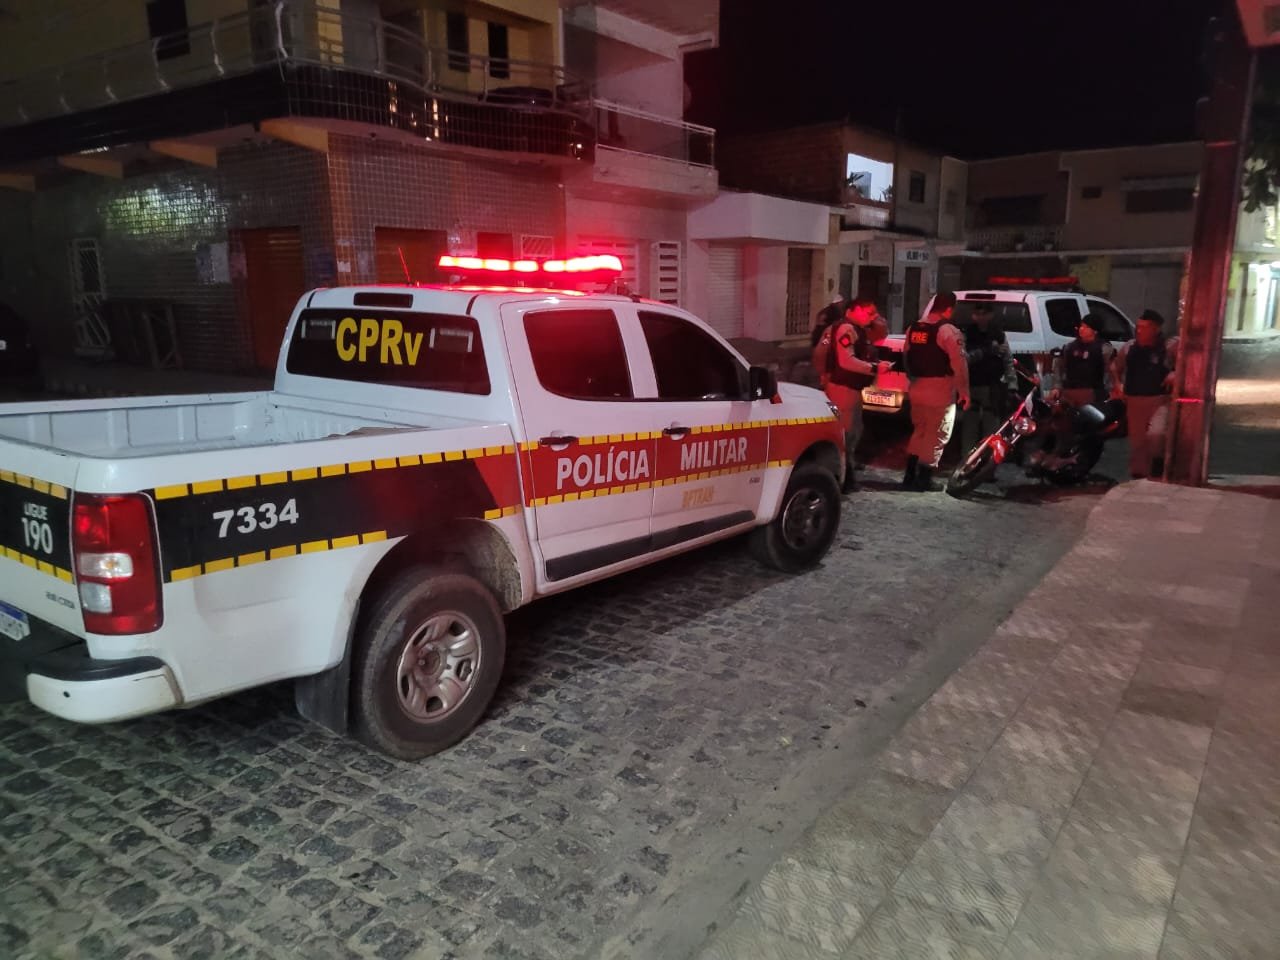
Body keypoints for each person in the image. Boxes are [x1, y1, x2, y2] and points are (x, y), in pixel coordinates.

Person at [822, 297, 893, 492]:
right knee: (845, 434)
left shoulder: (855, 329)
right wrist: (874, 368)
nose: (873, 317)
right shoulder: (846, 329)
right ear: (855, 309)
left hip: (850, 389)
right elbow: (846, 361)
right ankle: (843, 479)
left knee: (853, 432)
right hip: (843, 389)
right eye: (869, 313)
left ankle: (847, 475)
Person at [902, 291, 970, 491]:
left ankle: (909, 475)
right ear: (949, 309)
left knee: (920, 431)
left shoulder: (913, 328)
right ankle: (924, 478)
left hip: (917, 387)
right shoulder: (948, 331)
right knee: (937, 433)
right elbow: (959, 365)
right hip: (939, 389)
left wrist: (912, 379)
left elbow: (906, 356)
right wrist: (964, 391)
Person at [1111, 308, 1179, 479]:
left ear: (1156, 329)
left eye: (1145, 327)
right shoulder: (1129, 347)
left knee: (1156, 434)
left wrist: (1175, 373)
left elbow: (1188, 361)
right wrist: (1118, 384)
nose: (1139, 331)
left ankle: (1158, 464)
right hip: (1134, 400)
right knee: (1138, 442)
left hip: (1160, 399)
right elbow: (1115, 367)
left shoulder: (1169, 346)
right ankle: (1139, 477)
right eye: (1138, 327)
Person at [958, 303, 1015, 455]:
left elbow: (1008, 360)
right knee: (970, 426)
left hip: (992, 386)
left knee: (992, 426)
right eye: (978, 314)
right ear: (973, 315)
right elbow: (964, 359)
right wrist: (988, 351)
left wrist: (1012, 384)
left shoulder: (998, 334)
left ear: (991, 315)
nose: (981, 317)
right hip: (972, 385)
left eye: (984, 314)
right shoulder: (967, 334)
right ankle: (967, 460)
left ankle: (988, 460)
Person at [1053, 313, 1114, 407]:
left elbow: (1111, 370)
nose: (1081, 329)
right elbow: (1058, 366)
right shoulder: (1070, 347)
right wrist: (1057, 387)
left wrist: (1109, 391)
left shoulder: (1104, 348)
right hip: (1070, 390)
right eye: (1081, 326)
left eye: (1086, 327)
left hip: (1093, 392)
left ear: (1095, 331)